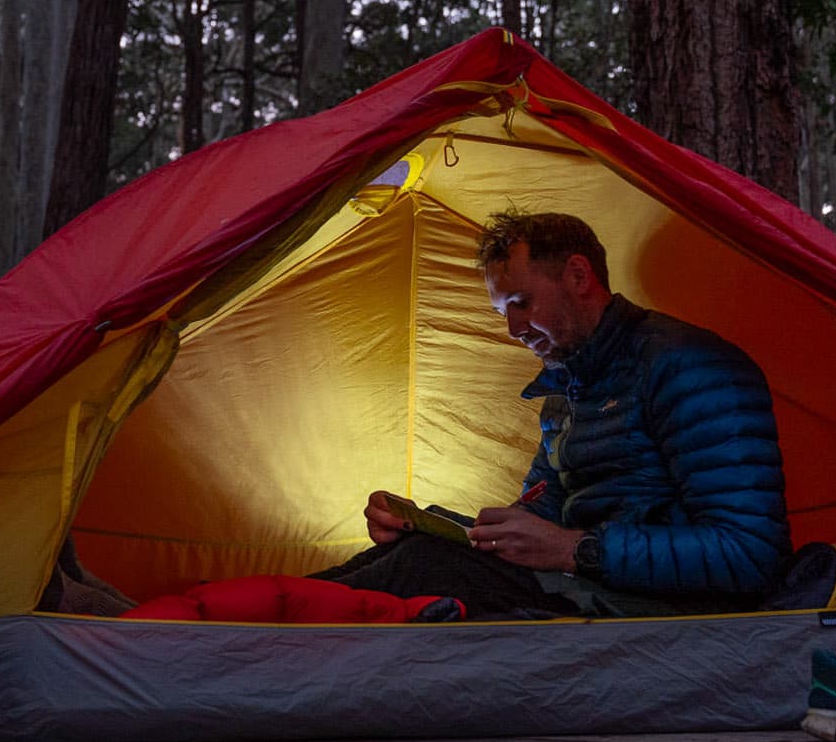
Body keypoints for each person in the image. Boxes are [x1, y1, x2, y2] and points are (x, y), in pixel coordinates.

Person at [315, 209, 790, 617]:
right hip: (600, 588)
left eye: (521, 303)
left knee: (424, 569)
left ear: (579, 276)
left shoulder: (689, 366)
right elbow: (538, 514)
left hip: (671, 611)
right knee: (417, 549)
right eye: (503, 310)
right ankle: (264, 609)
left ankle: (270, 631)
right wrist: (430, 523)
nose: (513, 328)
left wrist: (574, 549)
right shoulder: (568, 389)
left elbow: (750, 554)